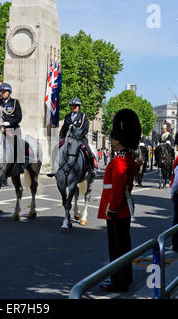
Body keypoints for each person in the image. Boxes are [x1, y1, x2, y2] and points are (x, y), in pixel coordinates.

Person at [97, 108, 141, 293]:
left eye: (113, 137)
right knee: (123, 246)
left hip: (117, 210)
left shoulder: (120, 161)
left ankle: (119, 281)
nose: (111, 140)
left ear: (117, 140)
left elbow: (118, 188)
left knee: (117, 248)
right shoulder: (126, 158)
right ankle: (124, 277)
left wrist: (112, 209)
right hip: (122, 209)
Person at [47, 98, 98, 177]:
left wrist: (78, 135)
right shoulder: (67, 117)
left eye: (76, 106)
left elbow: (85, 128)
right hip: (68, 138)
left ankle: (92, 169)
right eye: (72, 106)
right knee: (55, 149)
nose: (74, 107)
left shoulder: (83, 116)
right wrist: (61, 138)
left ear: (79, 107)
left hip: (80, 138)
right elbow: (64, 128)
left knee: (88, 151)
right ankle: (54, 168)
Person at [0, 82, 24, 180]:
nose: (2, 93)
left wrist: (8, 123)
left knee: (18, 142)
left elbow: (18, 117)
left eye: (5, 91)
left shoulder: (15, 102)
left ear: (9, 92)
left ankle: (20, 164)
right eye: (2, 91)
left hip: (12, 128)